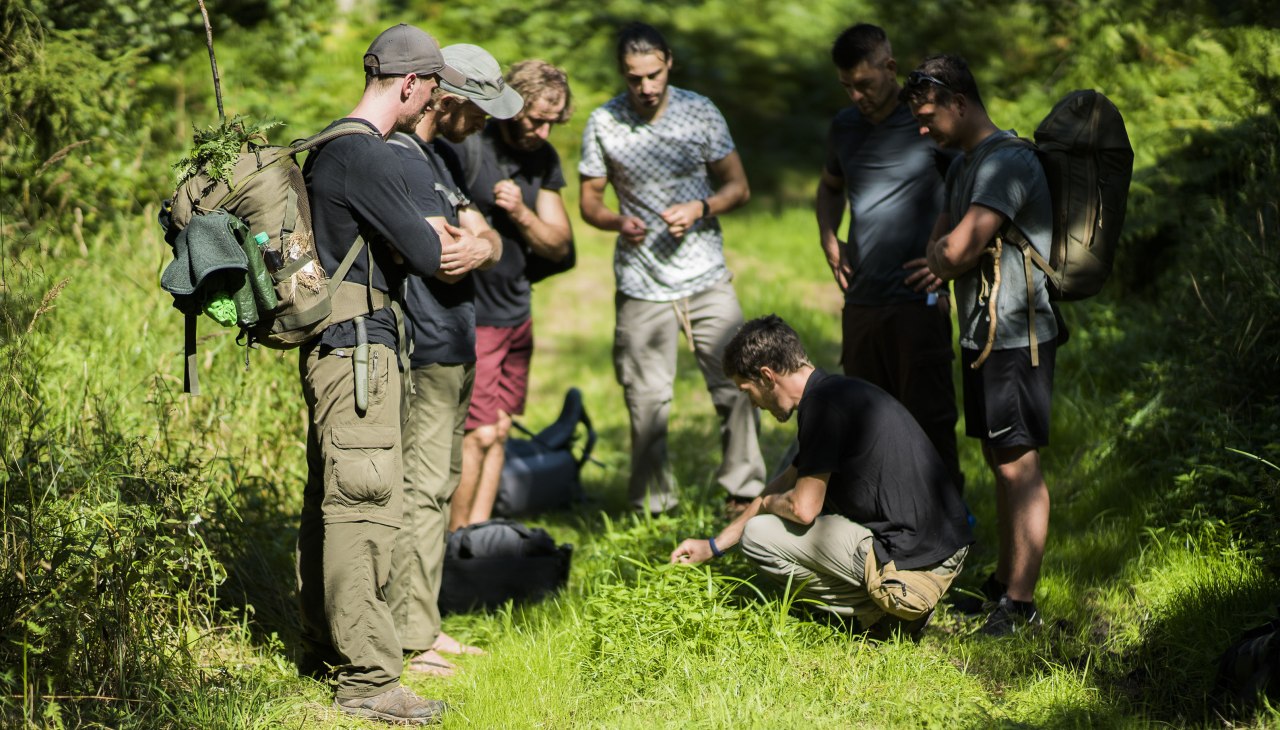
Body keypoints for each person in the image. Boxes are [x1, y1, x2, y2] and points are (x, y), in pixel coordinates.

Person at [295, 23, 464, 725]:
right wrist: (430, 240)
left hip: (336, 349)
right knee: (364, 508)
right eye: (431, 92)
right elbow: (430, 252)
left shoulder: (328, 145)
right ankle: (367, 679)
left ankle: (322, 649)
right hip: (361, 355)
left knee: (333, 499)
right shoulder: (370, 156)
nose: (429, 106)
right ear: (412, 83)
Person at [670, 315, 972, 637]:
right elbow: (786, 480)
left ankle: (885, 615)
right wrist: (714, 545)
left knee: (758, 536)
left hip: (916, 566)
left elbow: (803, 508)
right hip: (940, 548)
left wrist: (771, 504)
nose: (752, 404)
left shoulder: (822, 409)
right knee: (780, 516)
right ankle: (886, 608)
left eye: (748, 391)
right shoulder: (835, 393)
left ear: (767, 376)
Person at [579, 22, 765, 515]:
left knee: (739, 385)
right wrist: (618, 221)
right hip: (642, 282)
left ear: (669, 64)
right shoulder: (603, 122)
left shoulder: (700, 112)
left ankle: (743, 492)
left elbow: (738, 188)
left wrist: (699, 209)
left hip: (705, 276)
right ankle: (652, 504)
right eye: (634, 78)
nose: (645, 87)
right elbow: (589, 203)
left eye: (653, 75)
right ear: (623, 74)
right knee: (646, 399)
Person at [901, 54, 1058, 636]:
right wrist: (944, 253)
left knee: (1019, 464)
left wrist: (945, 255)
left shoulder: (1007, 163)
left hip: (1019, 336)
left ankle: (1021, 605)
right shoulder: (965, 164)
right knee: (999, 460)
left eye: (927, 116)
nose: (922, 128)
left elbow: (955, 250)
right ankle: (1004, 584)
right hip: (984, 334)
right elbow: (941, 243)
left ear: (959, 103)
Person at [385, 43, 521, 678]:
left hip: (456, 339)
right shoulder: (396, 156)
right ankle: (412, 637)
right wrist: (473, 245)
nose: (487, 124)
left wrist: (484, 246)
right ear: (450, 97)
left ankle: (425, 624)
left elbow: (484, 236)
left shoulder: (439, 155)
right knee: (419, 489)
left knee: (437, 488)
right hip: (423, 345)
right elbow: (437, 250)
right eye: (482, 110)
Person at [815, 23, 963, 494]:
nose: (857, 95)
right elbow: (829, 186)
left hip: (917, 300)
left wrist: (947, 258)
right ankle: (885, 526)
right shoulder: (843, 128)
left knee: (929, 421)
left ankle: (951, 527)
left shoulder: (928, 119)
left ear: (890, 67)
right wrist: (827, 236)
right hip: (862, 301)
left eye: (866, 84)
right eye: (847, 87)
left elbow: (975, 186)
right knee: (864, 421)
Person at [440, 59, 576, 529]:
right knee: (476, 435)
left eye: (551, 123)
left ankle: (480, 537)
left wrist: (520, 213)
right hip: (474, 315)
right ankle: (457, 544)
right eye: (534, 118)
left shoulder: (543, 160)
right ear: (512, 104)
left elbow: (560, 243)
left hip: (517, 312)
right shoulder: (467, 144)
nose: (541, 131)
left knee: (497, 431)